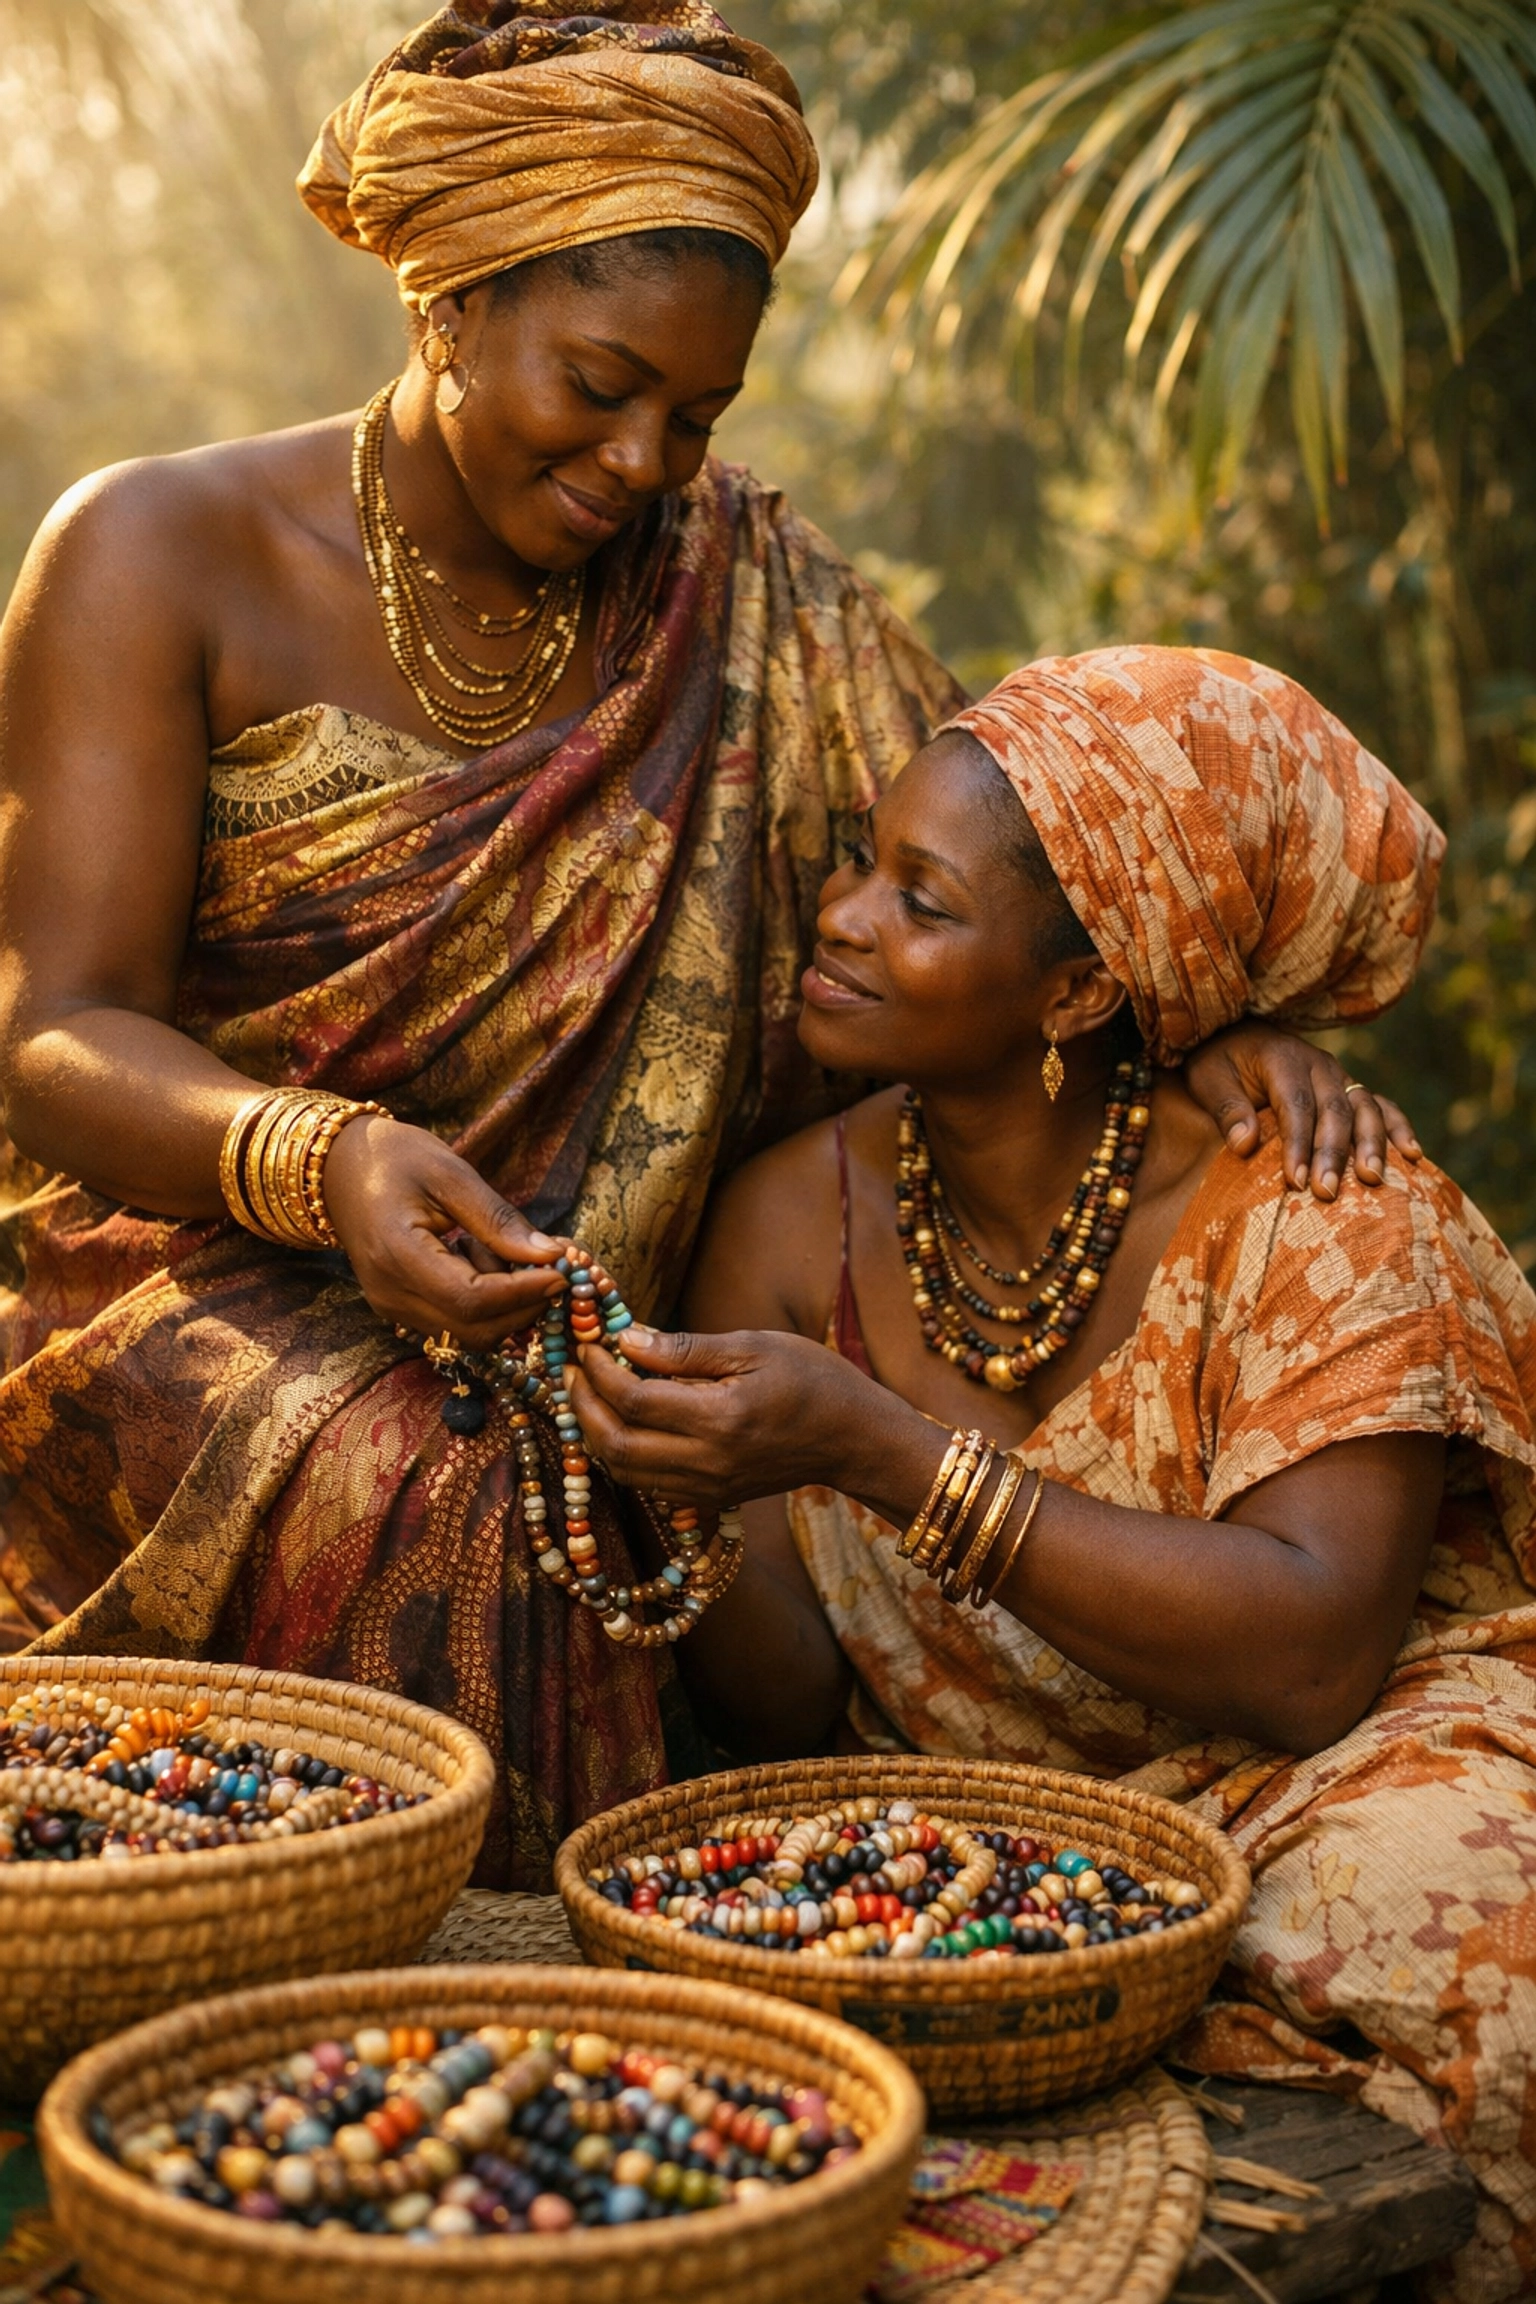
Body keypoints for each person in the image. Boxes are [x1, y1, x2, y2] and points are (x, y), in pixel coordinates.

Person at [0, 2, 1405, 1884]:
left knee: (583, 1456)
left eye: (700, 415)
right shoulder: (155, 555)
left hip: (577, 1316)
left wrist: (1184, 1020)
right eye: (599, 384)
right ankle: (384, 1974)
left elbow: (1024, 859)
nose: (649, 461)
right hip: (210, 1269)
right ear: (453, 299)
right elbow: (53, 1032)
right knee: (447, 1478)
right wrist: (323, 1163)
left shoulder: (741, 594)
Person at [573, 646, 1536, 2301]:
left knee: (1478, 1948)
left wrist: (877, 1453)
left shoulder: (1328, 1206)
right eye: (866, 860)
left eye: (923, 902)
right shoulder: (793, 1220)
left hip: (1344, 1779)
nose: (848, 914)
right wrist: (678, 1483)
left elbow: (1309, 1662)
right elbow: (798, 1706)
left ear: (1083, 993)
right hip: (998, 1834)